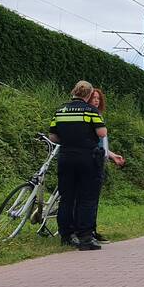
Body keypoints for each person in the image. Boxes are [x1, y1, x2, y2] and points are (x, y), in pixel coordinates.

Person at [48, 80, 108, 251]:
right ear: (88, 95)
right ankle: (86, 237)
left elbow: (53, 136)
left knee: (67, 198)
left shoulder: (60, 110)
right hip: (87, 157)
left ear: (73, 91)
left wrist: (68, 139)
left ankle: (66, 236)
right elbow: (101, 133)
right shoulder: (91, 111)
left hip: (66, 156)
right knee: (86, 197)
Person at [86, 88, 126, 242]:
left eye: (98, 98)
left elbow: (102, 143)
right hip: (91, 160)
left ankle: (91, 229)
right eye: (93, 98)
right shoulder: (90, 116)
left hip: (99, 158)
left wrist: (112, 155)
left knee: (93, 199)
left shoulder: (98, 116)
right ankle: (88, 232)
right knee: (89, 199)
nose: (96, 101)